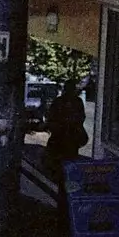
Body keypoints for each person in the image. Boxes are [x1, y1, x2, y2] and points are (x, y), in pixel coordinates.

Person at [45, 80, 88, 223]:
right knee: (67, 175)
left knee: (63, 176)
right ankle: (67, 207)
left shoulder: (62, 102)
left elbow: (51, 120)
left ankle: (63, 208)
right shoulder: (75, 102)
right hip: (67, 144)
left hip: (64, 143)